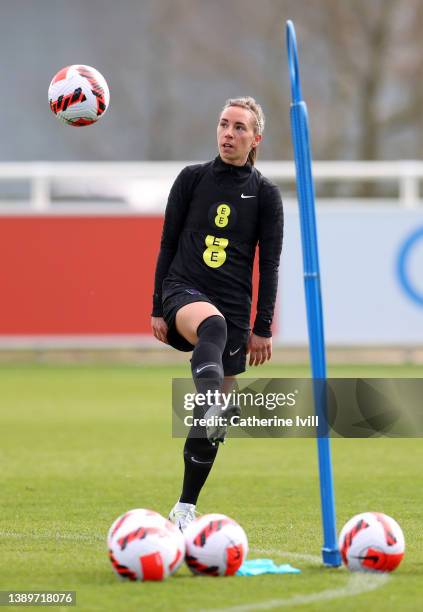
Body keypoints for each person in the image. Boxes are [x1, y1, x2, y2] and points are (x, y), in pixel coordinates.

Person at [151, 96, 283, 530]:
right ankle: (209, 400)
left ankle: (185, 507)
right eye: (224, 124)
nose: (228, 133)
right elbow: (168, 243)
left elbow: (271, 263)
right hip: (183, 290)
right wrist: (157, 305)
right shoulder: (191, 179)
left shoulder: (265, 194)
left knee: (215, 425)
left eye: (239, 128)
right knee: (212, 326)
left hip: (233, 306)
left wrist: (262, 327)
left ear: (255, 138)